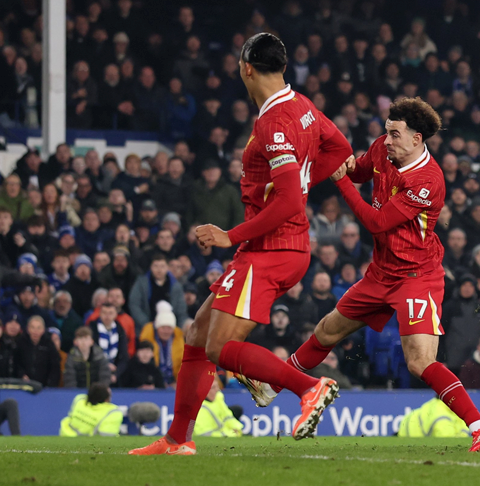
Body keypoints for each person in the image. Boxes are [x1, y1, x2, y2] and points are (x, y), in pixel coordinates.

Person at [131, 33, 352, 456]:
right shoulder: (302, 106)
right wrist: (303, 180)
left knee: (218, 347)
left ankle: (309, 387)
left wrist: (230, 234)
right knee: (198, 334)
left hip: (272, 248)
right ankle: (177, 439)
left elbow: (289, 200)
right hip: (276, 245)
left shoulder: (274, 122)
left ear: (246, 68)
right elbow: (340, 148)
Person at [246, 98, 480, 452]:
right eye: (386, 132)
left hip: (416, 276)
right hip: (381, 273)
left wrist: (341, 181)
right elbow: (358, 170)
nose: (387, 140)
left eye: (395, 134)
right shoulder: (384, 149)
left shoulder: (428, 180)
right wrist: (332, 163)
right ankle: (272, 385)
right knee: (327, 330)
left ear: (416, 138)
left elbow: (377, 222)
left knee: (420, 362)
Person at [59, 382, 124, 436]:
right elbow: (107, 435)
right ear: (106, 400)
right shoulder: (112, 412)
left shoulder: (79, 400)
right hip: (86, 443)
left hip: (65, 435)